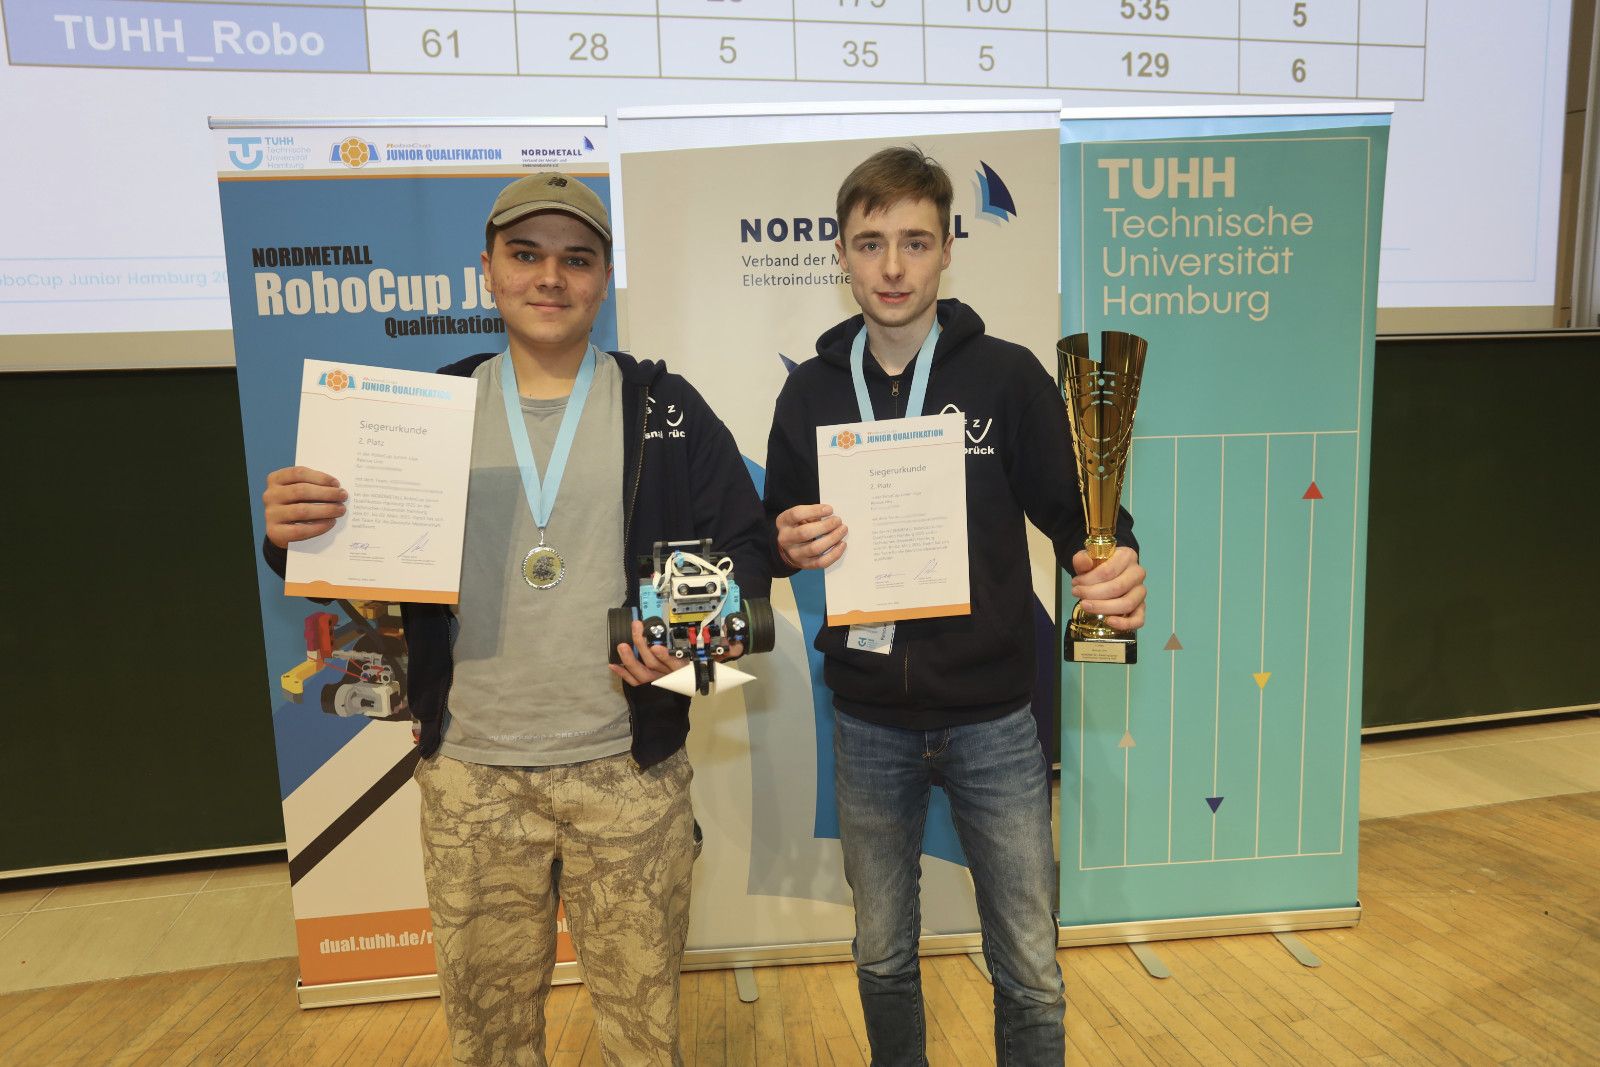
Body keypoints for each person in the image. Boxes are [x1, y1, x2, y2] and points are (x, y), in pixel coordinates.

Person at [261, 173, 768, 1067]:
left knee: (645, 1041)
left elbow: (747, 551)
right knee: (489, 1043)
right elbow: (342, 558)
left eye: (577, 259)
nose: (550, 277)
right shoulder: (427, 413)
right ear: (486, 271)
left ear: (604, 278)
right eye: (526, 255)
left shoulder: (665, 407)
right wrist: (287, 534)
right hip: (473, 779)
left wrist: (684, 655)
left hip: (629, 772)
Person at [762, 147, 1148, 1066]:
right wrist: (786, 542)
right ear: (841, 255)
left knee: (1030, 965)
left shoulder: (1008, 377)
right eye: (871, 243)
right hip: (868, 720)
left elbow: (1082, 514)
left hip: (996, 720)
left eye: (915, 241)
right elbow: (774, 530)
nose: (893, 266)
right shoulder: (810, 391)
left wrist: (1116, 560)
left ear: (946, 251)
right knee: (883, 956)